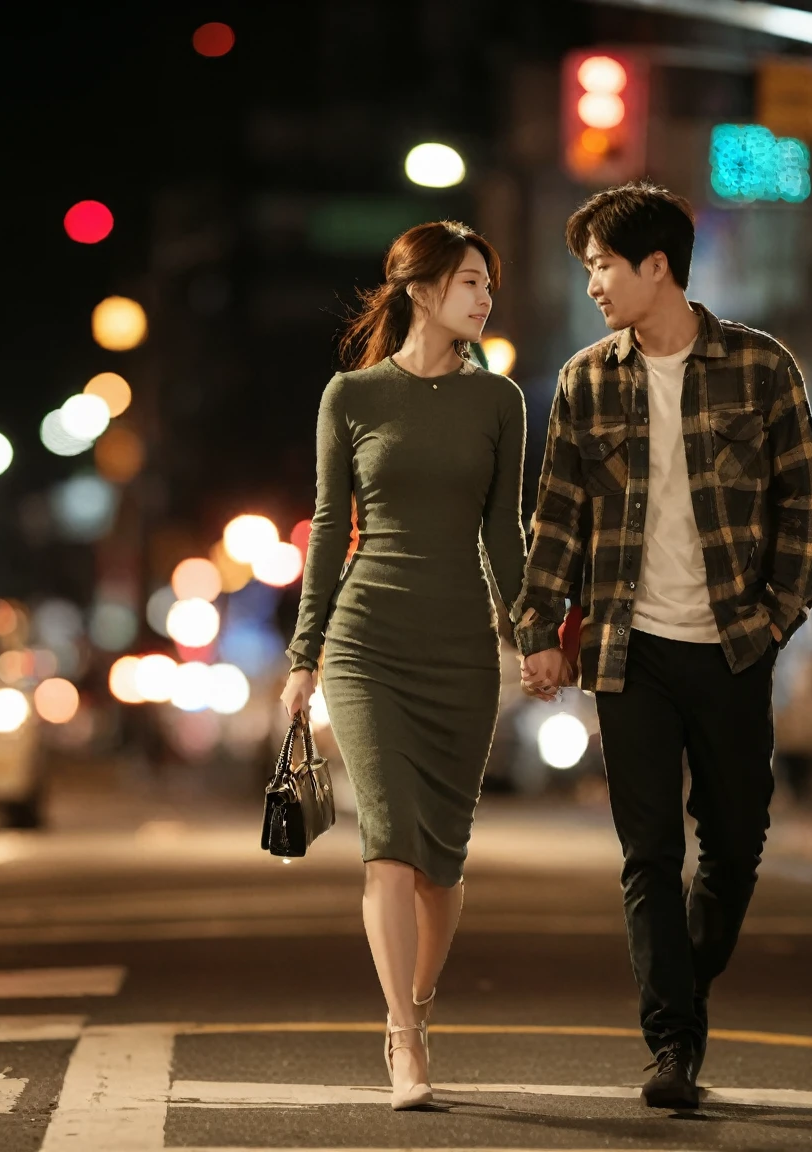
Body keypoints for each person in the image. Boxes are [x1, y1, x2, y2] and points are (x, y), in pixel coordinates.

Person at [512, 181, 812, 1109]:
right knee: (647, 853)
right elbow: (558, 520)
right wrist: (540, 632)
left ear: (658, 267)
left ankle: (683, 985)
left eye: (604, 267)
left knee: (735, 842)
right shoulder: (585, 380)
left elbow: (806, 508)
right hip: (629, 652)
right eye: (588, 271)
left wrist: (775, 621)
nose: (594, 287)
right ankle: (672, 1047)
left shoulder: (762, 368)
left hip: (734, 647)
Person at [280, 221, 524, 1110]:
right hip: (366, 639)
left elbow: (505, 534)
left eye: (488, 285)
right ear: (420, 290)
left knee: (442, 864)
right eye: (469, 281)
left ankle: (421, 1000)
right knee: (387, 846)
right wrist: (305, 654)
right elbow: (326, 531)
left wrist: (528, 632)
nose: (484, 297)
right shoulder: (350, 396)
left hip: (461, 647)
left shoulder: (499, 401)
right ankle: (405, 1037)